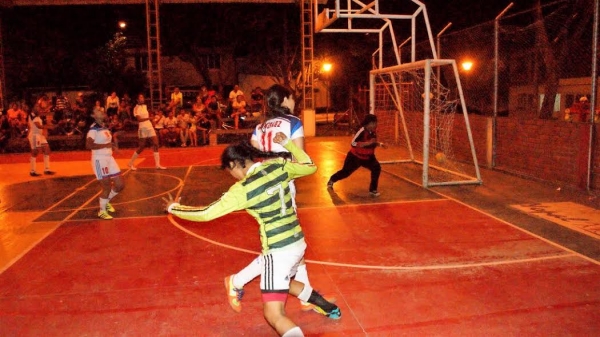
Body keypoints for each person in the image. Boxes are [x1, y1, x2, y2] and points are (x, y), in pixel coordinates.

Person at [164, 133, 341, 337]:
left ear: (234, 165)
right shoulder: (278, 167)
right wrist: (288, 145)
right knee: (284, 283)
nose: (232, 176)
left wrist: (174, 208)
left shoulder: (243, 189)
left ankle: (235, 282)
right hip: (298, 242)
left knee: (274, 315)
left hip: (277, 251)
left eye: (230, 172)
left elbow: (206, 214)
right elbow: (310, 166)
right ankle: (328, 307)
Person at [232, 84, 321, 313]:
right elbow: (301, 160)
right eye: (292, 97)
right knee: (283, 247)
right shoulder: (293, 122)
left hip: (263, 188)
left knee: (293, 247)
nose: (294, 100)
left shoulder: (260, 127)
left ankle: (306, 297)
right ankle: (236, 280)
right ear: (284, 99)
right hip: (282, 186)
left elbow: (252, 158)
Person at [327, 114, 386, 197]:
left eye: (376, 123)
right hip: (355, 157)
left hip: (368, 157)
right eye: (373, 123)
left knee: (376, 168)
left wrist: (379, 144)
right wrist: (365, 144)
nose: (375, 125)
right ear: (368, 123)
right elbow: (353, 143)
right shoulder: (361, 131)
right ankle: (332, 180)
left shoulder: (373, 131)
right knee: (345, 172)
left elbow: (372, 143)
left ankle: (373, 190)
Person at [86, 106, 125, 220]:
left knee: (120, 185)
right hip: (99, 159)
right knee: (106, 186)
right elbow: (88, 145)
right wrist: (106, 145)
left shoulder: (104, 126)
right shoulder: (93, 129)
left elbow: (106, 141)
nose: (101, 111)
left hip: (109, 158)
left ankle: (106, 201)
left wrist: (113, 146)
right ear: (93, 116)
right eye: (97, 110)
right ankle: (102, 211)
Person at [127, 94, 166, 170]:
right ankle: (130, 163)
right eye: (141, 97)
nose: (142, 98)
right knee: (141, 147)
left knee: (156, 144)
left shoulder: (145, 106)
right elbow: (139, 119)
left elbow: (148, 117)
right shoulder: (136, 108)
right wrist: (149, 118)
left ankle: (157, 165)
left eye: (143, 97)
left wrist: (151, 120)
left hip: (149, 127)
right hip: (142, 128)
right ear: (138, 99)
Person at [28, 95, 55, 177]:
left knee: (47, 149)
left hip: (39, 135)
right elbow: (38, 126)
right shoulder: (33, 115)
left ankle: (47, 169)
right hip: (34, 135)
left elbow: (43, 111)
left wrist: (48, 106)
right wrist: (48, 127)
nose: (39, 108)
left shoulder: (37, 115)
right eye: (37, 107)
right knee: (35, 152)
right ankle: (32, 171)